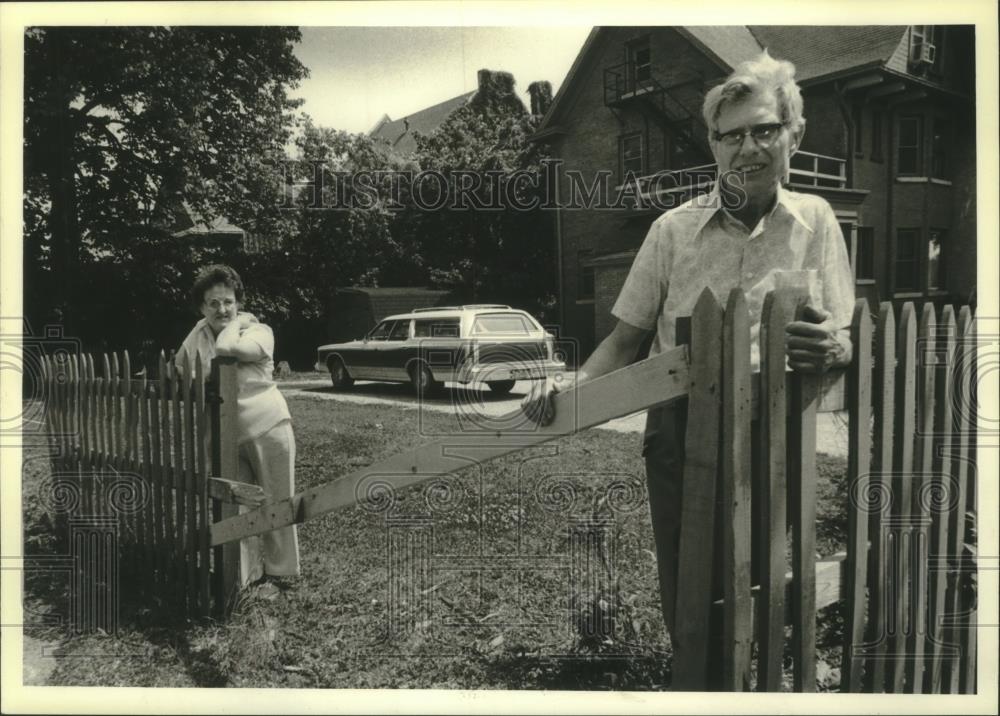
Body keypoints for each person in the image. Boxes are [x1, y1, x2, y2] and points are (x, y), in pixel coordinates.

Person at [523, 51, 854, 656]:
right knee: (686, 579)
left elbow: (841, 331)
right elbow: (624, 339)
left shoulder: (818, 220)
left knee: (763, 573)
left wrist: (834, 345)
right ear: (713, 145)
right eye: (731, 136)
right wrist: (567, 385)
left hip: (774, 426)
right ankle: (694, 681)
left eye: (764, 130)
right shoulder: (672, 230)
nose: (747, 148)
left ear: (793, 135)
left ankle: (749, 679)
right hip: (680, 427)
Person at [175, 264, 300, 583]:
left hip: (267, 427)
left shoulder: (258, 331)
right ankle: (244, 577)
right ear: (202, 307)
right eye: (213, 303)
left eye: (229, 301)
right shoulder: (199, 333)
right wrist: (198, 352)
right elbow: (179, 369)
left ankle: (282, 573)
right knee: (236, 508)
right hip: (223, 435)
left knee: (277, 502)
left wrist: (238, 322)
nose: (222, 309)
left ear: (239, 302)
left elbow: (227, 350)